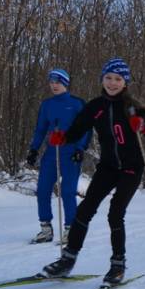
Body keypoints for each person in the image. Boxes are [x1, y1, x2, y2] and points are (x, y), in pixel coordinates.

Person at [39, 58, 145, 285]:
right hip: (107, 167)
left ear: (125, 82)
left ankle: (117, 265)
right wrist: (63, 138)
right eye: (108, 78)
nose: (112, 83)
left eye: (118, 79)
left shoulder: (132, 107)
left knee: (115, 213)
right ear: (102, 79)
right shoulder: (95, 107)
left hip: (131, 168)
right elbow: (77, 130)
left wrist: (143, 127)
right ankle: (67, 260)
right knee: (84, 210)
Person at [25, 69, 91, 245]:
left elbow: (86, 127)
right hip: (51, 154)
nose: (54, 85)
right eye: (51, 81)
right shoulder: (47, 105)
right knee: (42, 190)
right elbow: (40, 129)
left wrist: (80, 148)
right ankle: (46, 229)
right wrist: (33, 149)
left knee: (68, 192)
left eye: (58, 82)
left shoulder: (76, 103)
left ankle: (70, 230)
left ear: (65, 83)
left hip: (70, 154)